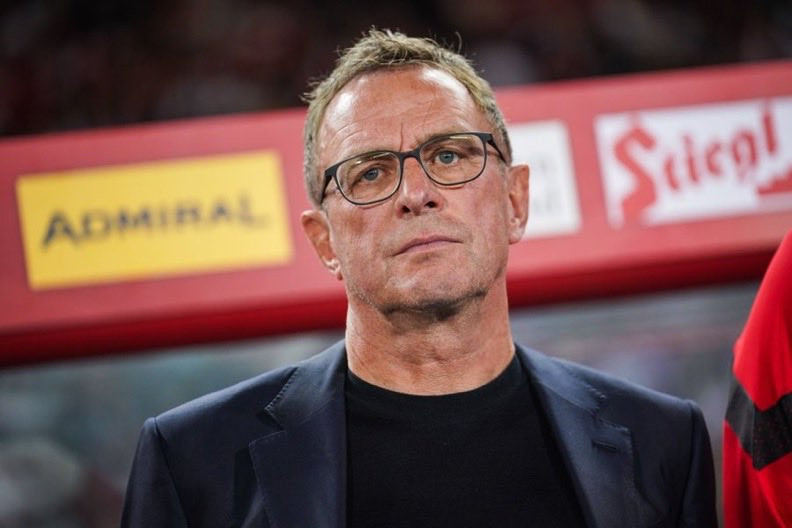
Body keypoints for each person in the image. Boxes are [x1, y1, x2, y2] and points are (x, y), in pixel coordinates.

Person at [121, 29, 716, 528]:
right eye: (371, 173)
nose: (416, 193)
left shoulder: (662, 441)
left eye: (450, 155)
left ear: (515, 201)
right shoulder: (191, 460)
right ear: (324, 242)